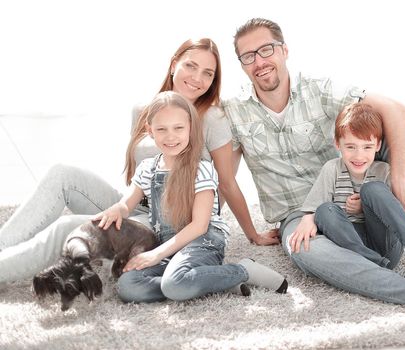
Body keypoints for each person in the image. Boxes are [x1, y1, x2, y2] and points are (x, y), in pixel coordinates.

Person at [222, 18, 405, 326]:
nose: (259, 61)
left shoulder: (318, 90)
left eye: (266, 49)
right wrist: (250, 233)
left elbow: (399, 111)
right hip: (299, 214)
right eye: (248, 56)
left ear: (284, 50)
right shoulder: (233, 111)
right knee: (302, 250)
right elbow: (224, 179)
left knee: (397, 134)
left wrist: (399, 179)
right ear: (241, 64)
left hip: (350, 193)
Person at [0, 38, 276, 285]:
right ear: (173, 65)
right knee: (62, 173)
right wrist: (118, 210)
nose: (197, 78)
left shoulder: (212, 119)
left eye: (208, 73)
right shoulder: (145, 111)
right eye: (190, 66)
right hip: (135, 205)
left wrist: (252, 234)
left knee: (65, 227)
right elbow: (137, 177)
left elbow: (226, 182)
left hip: (166, 222)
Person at [94, 91, 287, 303]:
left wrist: (156, 255)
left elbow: (199, 226)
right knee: (128, 286)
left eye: (178, 128)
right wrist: (116, 210)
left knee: (174, 285)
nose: (170, 136)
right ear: (150, 131)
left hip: (203, 242)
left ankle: (242, 270)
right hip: (168, 245)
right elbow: (126, 204)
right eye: (161, 129)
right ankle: (208, 281)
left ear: (191, 129)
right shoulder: (147, 168)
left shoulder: (201, 169)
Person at [299, 102, 405, 272]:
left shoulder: (384, 170)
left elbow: (394, 213)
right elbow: (316, 210)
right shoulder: (332, 169)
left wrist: (363, 207)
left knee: (372, 189)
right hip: (353, 247)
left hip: (385, 245)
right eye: (350, 147)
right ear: (338, 144)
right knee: (324, 210)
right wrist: (309, 217)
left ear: (377, 146)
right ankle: (379, 267)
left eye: (367, 147)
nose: (358, 155)